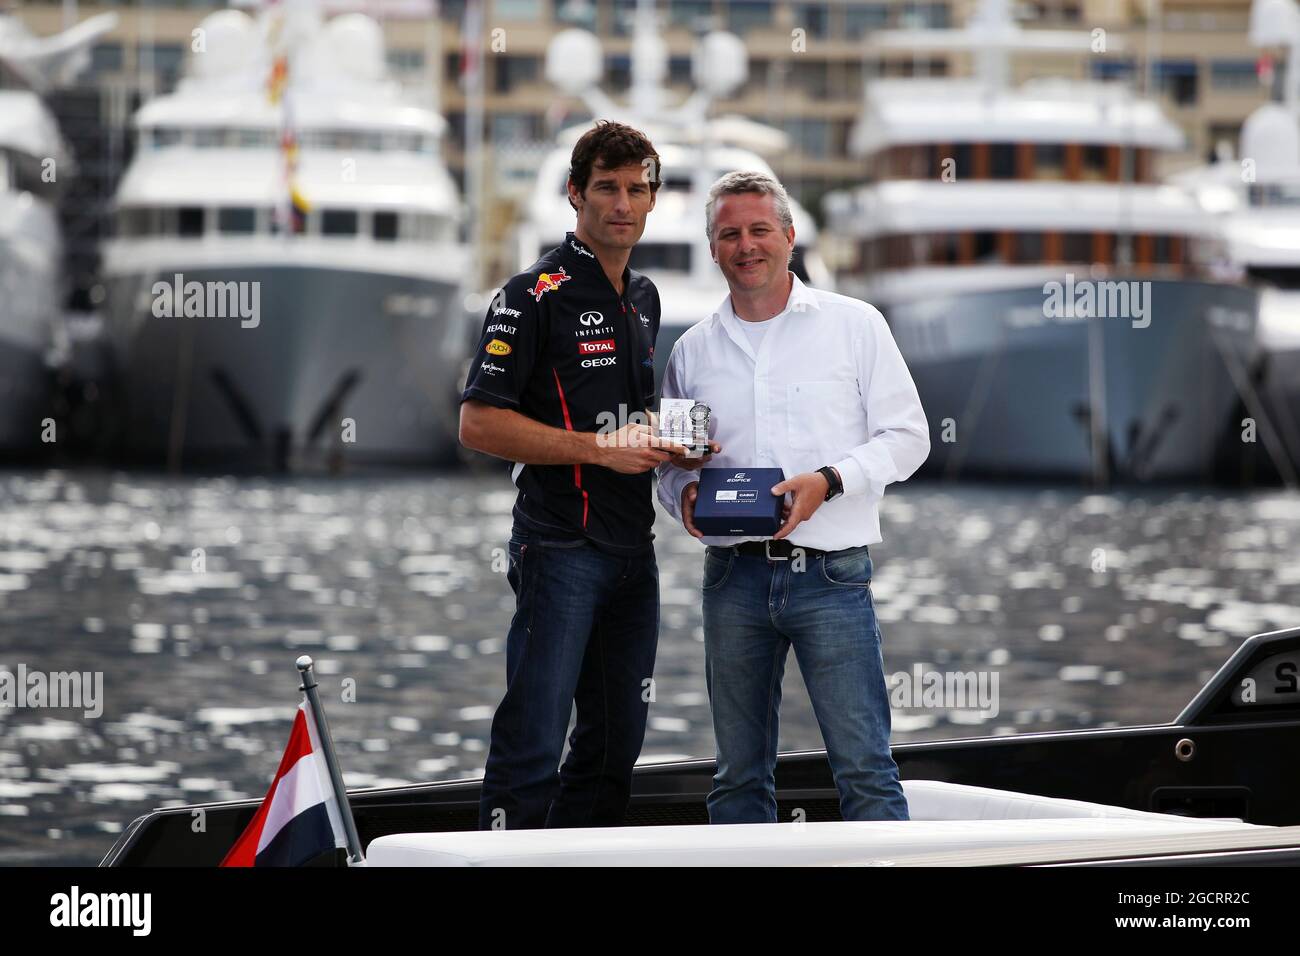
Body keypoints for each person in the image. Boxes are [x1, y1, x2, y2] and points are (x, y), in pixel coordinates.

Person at [656, 170, 930, 824]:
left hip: (832, 577)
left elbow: (910, 438)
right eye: (729, 234)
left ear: (789, 235)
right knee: (737, 779)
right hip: (732, 578)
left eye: (759, 230)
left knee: (865, 770)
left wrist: (829, 480)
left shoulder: (855, 325)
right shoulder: (691, 351)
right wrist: (683, 495)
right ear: (713, 247)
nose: (746, 245)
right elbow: (671, 464)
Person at [460, 120, 704, 830]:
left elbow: (630, 417)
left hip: (635, 552)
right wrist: (600, 450)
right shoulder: (530, 294)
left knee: (614, 747)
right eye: (606, 188)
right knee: (533, 740)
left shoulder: (645, 296)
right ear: (575, 193)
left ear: (653, 199)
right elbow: (477, 424)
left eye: (637, 189)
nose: (622, 203)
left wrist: (677, 445)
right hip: (559, 545)